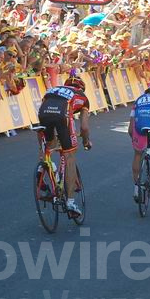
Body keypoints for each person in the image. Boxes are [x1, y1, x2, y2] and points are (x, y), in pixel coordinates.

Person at [36, 76, 92, 218]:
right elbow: (84, 127)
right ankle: (71, 202)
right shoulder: (83, 97)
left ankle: (45, 165)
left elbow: (45, 113)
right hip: (63, 116)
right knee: (70, 156)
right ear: (81, 88)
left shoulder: (53, 90)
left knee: (48, 143)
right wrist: (86, 141)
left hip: (44, 113)